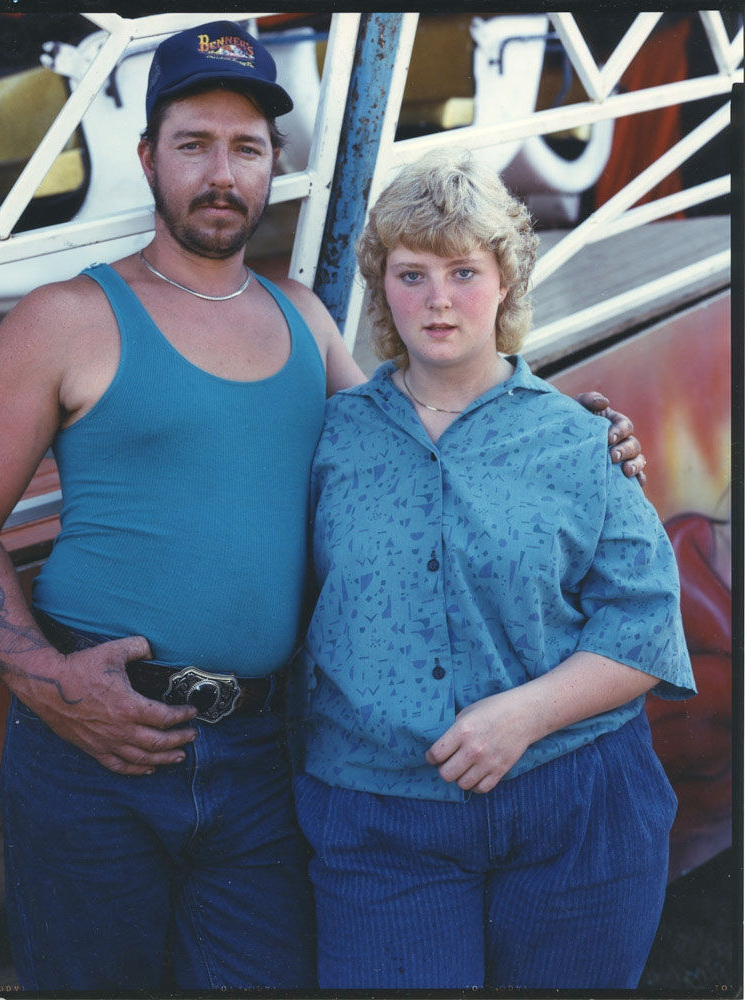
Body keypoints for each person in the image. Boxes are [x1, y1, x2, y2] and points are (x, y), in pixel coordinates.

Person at [0, 20, 644, 992]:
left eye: (246, 147)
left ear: (274, 163)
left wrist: (573, 435)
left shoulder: (304, 318)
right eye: (193, 144)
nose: (220, 173)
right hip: (94, 742)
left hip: (256, 753)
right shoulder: (65, 316)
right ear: (147, 157)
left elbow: (417, 451)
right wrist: (46, 684)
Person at [292, 149, 696, 990]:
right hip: (380, 815)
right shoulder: (329, 439)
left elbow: (646, 624)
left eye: (464, 272)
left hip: (574, 801)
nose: (438, 299)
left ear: (506, 281)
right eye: (411, 274)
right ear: (381, 287)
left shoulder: (579, 440)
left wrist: (524, 716)